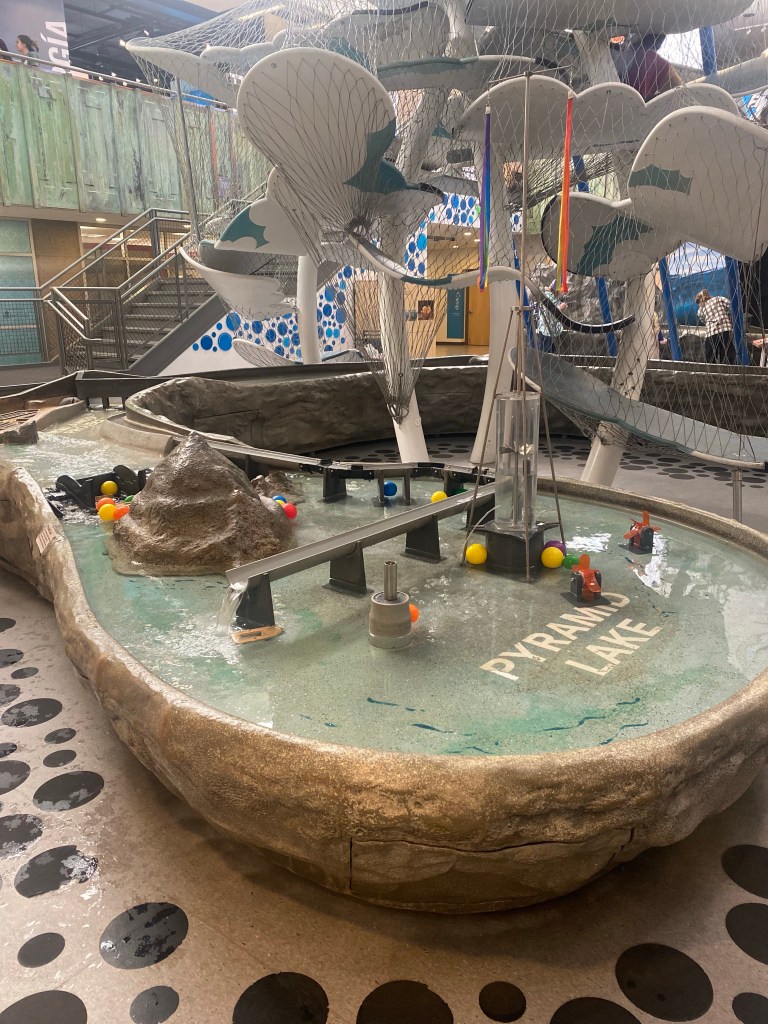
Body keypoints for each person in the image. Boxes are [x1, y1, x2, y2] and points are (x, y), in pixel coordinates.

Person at [620, 34, 682, 101]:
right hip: (637, 104)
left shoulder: (628, 53)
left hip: (617, 96)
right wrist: (650, 101)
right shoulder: (661, 64)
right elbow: (677, 87)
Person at [695, 289, 738, 363]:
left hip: (711, 332)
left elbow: (704, 321)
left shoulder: (700, 310)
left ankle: (713, 369)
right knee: (726, 354)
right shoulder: (719, 298)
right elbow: (731, 306)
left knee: (710, 356)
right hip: (725, 329)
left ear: (699, 301)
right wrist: (726, 314)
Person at [535, 288, 566, 352]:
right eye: (562, 290)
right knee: (545, 353)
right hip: (547, 332)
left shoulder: (556, 298)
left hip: (554, 332)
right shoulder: (548, 298)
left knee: (552, 353)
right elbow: (548, 312)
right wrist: (560, 308)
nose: (564, 293)